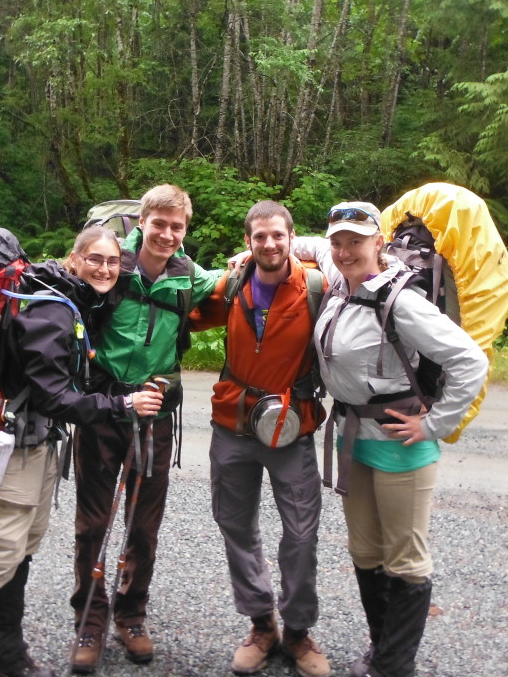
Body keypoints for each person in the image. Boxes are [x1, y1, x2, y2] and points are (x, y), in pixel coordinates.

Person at [0, 226, 163, 677]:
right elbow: (53, 396)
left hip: (37, 447)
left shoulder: (67, 300)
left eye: (112, 262)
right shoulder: (51, 310)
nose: (105, 269)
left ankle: (3, 653)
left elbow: (67, 381)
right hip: (15, 451)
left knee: (19, 550)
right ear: (75, 259)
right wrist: (122, 404)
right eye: (95, 259)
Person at [298, 202, 488, 677]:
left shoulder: (400, 300)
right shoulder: (340, 278)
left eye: (355, 242)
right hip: (351, 437)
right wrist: (255, 252)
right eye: (339, 241)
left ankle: (393, 666)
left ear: (378, 244)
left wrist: (435, 424)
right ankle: (381, 649)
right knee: (365, 551)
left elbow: (470, 361)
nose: (343, 251)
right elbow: (311, 245)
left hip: (401, 442)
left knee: (405, 559)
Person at [69, 185, 224, 673]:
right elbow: (68, 283)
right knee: (94, 521)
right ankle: (90, 620)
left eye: (177, 227)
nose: (167, 234)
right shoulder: (112, 263)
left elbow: (230, 277)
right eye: (159, 224)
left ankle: (130, 615)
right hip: (104, 406)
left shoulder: (188, 276)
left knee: (144, 524)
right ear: (141, 222)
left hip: (156, 414)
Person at [189, 200, 331, 677]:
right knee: (235, 524)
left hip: (293, 427)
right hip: (232, 422)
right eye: (259, 237)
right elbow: (176, 311)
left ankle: (297, 632)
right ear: (247, 242)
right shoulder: (230, 285)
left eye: (277, 235)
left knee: (301, 533)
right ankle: (261, 624)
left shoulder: (317, 285)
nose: (269, 244)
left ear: (292, 238)